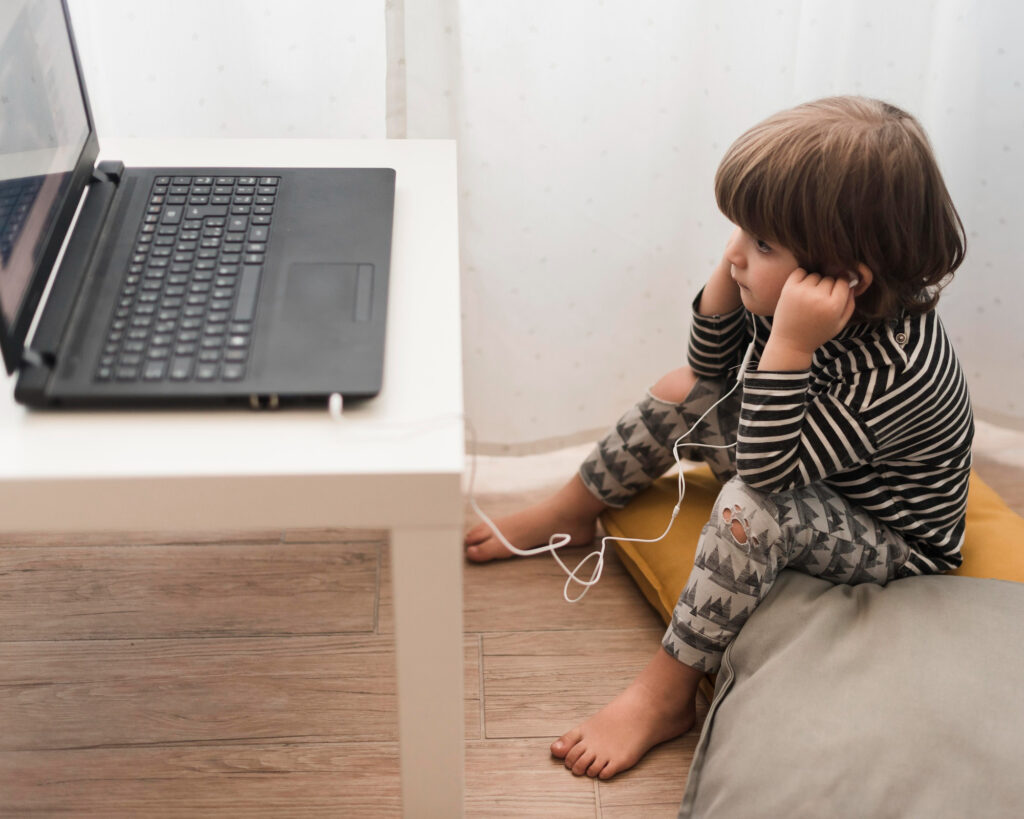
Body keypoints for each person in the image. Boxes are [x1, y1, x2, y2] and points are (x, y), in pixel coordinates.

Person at [464, 96, 974, 780]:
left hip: (888, 531)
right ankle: (572, 511)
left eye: (761, 243)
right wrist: (739, 274)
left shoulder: (894, 373)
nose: (735, 253)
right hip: (805, 457)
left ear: (845, 278)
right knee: (682, 389)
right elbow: (709, 369)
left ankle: (667, 692)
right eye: (739, 229)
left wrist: (790, 343)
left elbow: (764, 472)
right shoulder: (805, 294)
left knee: (747, 509)